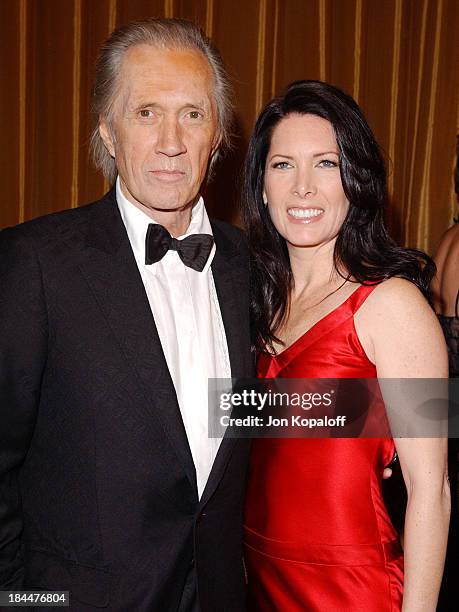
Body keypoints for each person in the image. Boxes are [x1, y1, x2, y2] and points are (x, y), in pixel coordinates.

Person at [0, 19, 253, 611]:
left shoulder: (254, 266)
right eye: (146, 113)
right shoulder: (33, 263)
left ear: (217, 135)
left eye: (193, 114)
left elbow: (275, 408)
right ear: (108, 133)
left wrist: (416, 414)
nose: (172, 140)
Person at [242, 80, 450, 611]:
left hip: (350, 590)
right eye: (283, 165)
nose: (303, 187)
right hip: (258, 581)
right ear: (262, 186)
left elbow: (432, 490)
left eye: (327, 164)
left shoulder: (392, 303)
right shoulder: (251, 303)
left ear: (355, 181)